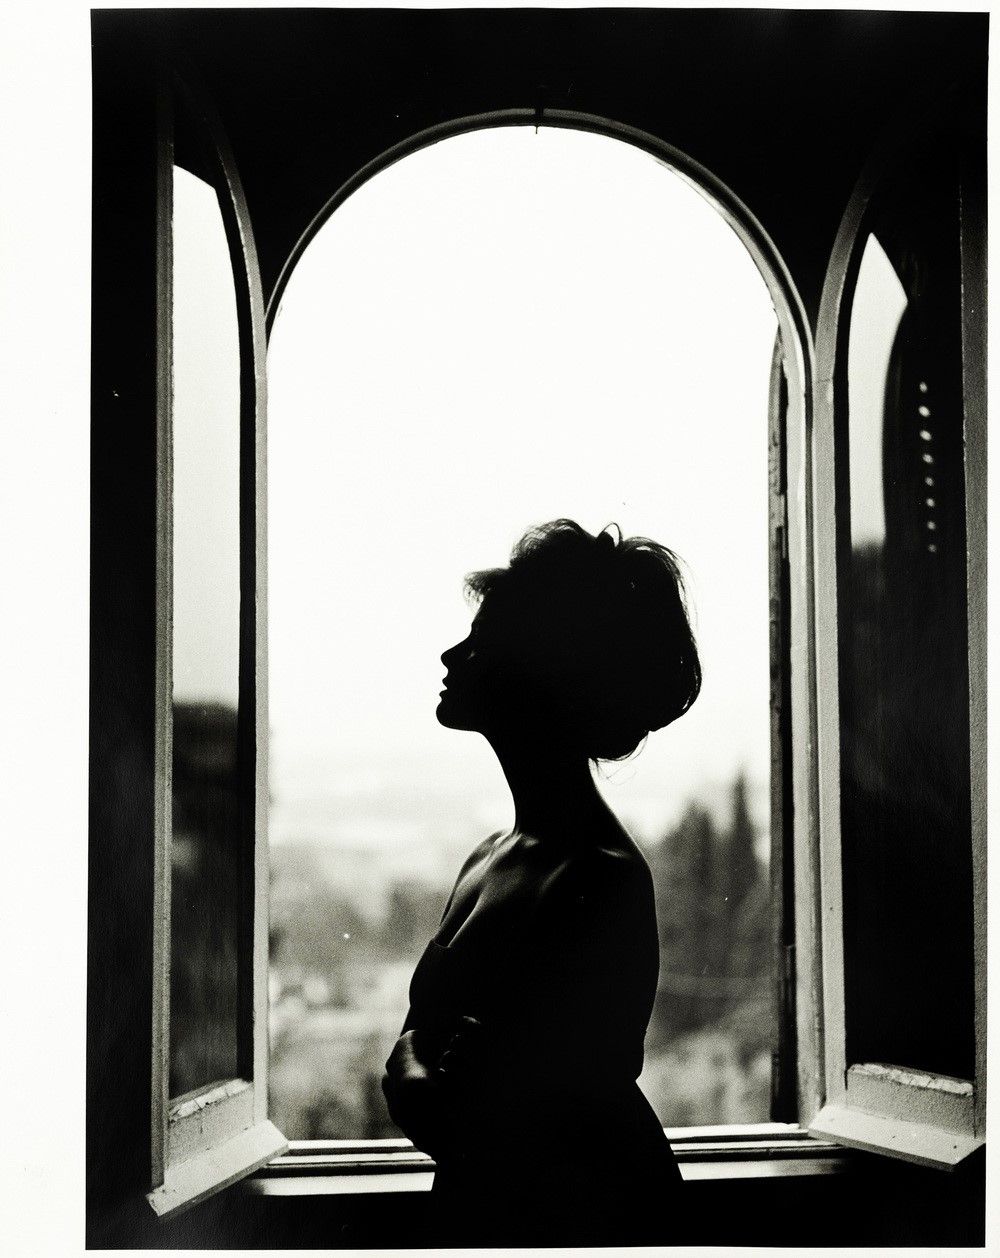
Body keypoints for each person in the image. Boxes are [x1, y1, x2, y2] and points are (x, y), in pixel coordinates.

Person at [382, 519, 701, 1246]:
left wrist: (426, 1079)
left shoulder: (601, 879)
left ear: (544, 672)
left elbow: (540, 1126)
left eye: (483, 640)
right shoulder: (487, 857)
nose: (452, 654)